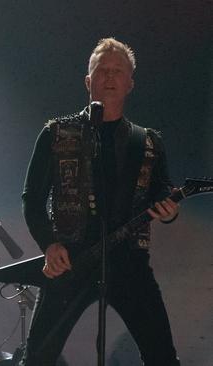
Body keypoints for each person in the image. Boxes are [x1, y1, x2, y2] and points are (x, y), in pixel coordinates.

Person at [20, 38, 180, 365]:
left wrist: (169, 211)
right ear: (88, 81)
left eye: (118, 72)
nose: (109, 77)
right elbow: (32, 199)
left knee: (162, 356)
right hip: (71, 260)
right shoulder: (55, 134)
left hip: (129, 262)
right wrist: (49, 245)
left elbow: (162, 191)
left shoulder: (148, 141)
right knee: (37, 358)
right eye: (102, 70)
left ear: (130, 84)